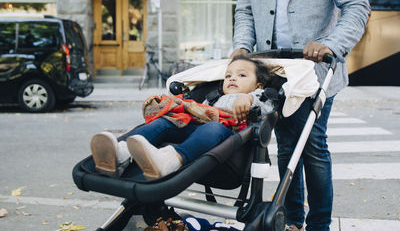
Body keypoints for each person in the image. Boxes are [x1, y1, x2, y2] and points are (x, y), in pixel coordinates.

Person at [231, 0, 370, 231]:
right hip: (272, 70)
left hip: (317, 69)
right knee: (286, 146)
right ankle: (293, 220)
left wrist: (331, 44)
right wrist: (242, 46)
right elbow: (246, 11)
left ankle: (319, 225)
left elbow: (356, 7)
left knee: (313, 145)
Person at [90, 55, 275, 179]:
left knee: (214, 127)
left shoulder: (257, 97)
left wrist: (249, 98)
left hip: (229, 148)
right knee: (167, 121)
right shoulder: (214, 97)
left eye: (241, 75)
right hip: (197, 137)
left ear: (258, 86)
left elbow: (268, 105)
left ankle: (169, 161)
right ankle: (120, 154)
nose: (232, 78)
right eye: (228, 75)